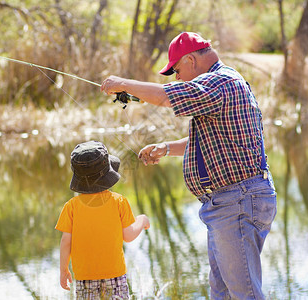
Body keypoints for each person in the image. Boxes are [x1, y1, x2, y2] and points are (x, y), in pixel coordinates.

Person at [101, 32, 277, 299]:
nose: (177, 77)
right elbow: (215, 140)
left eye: (177, 70)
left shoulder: (218, 82)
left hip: (235, 202)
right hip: (230, 202)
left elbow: (166, 96)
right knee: (223, 293)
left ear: (191, 60)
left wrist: (121, 83)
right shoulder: (224, 82)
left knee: (244, 294)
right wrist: (167, 147)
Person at [55, 141, 150, 299]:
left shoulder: (71, 207)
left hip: (84, 278)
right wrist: (142, 220)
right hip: (115, 275)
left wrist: (63, 270)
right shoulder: (118, 201)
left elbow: (66, 241)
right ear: (108, 173)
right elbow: (128, 235)